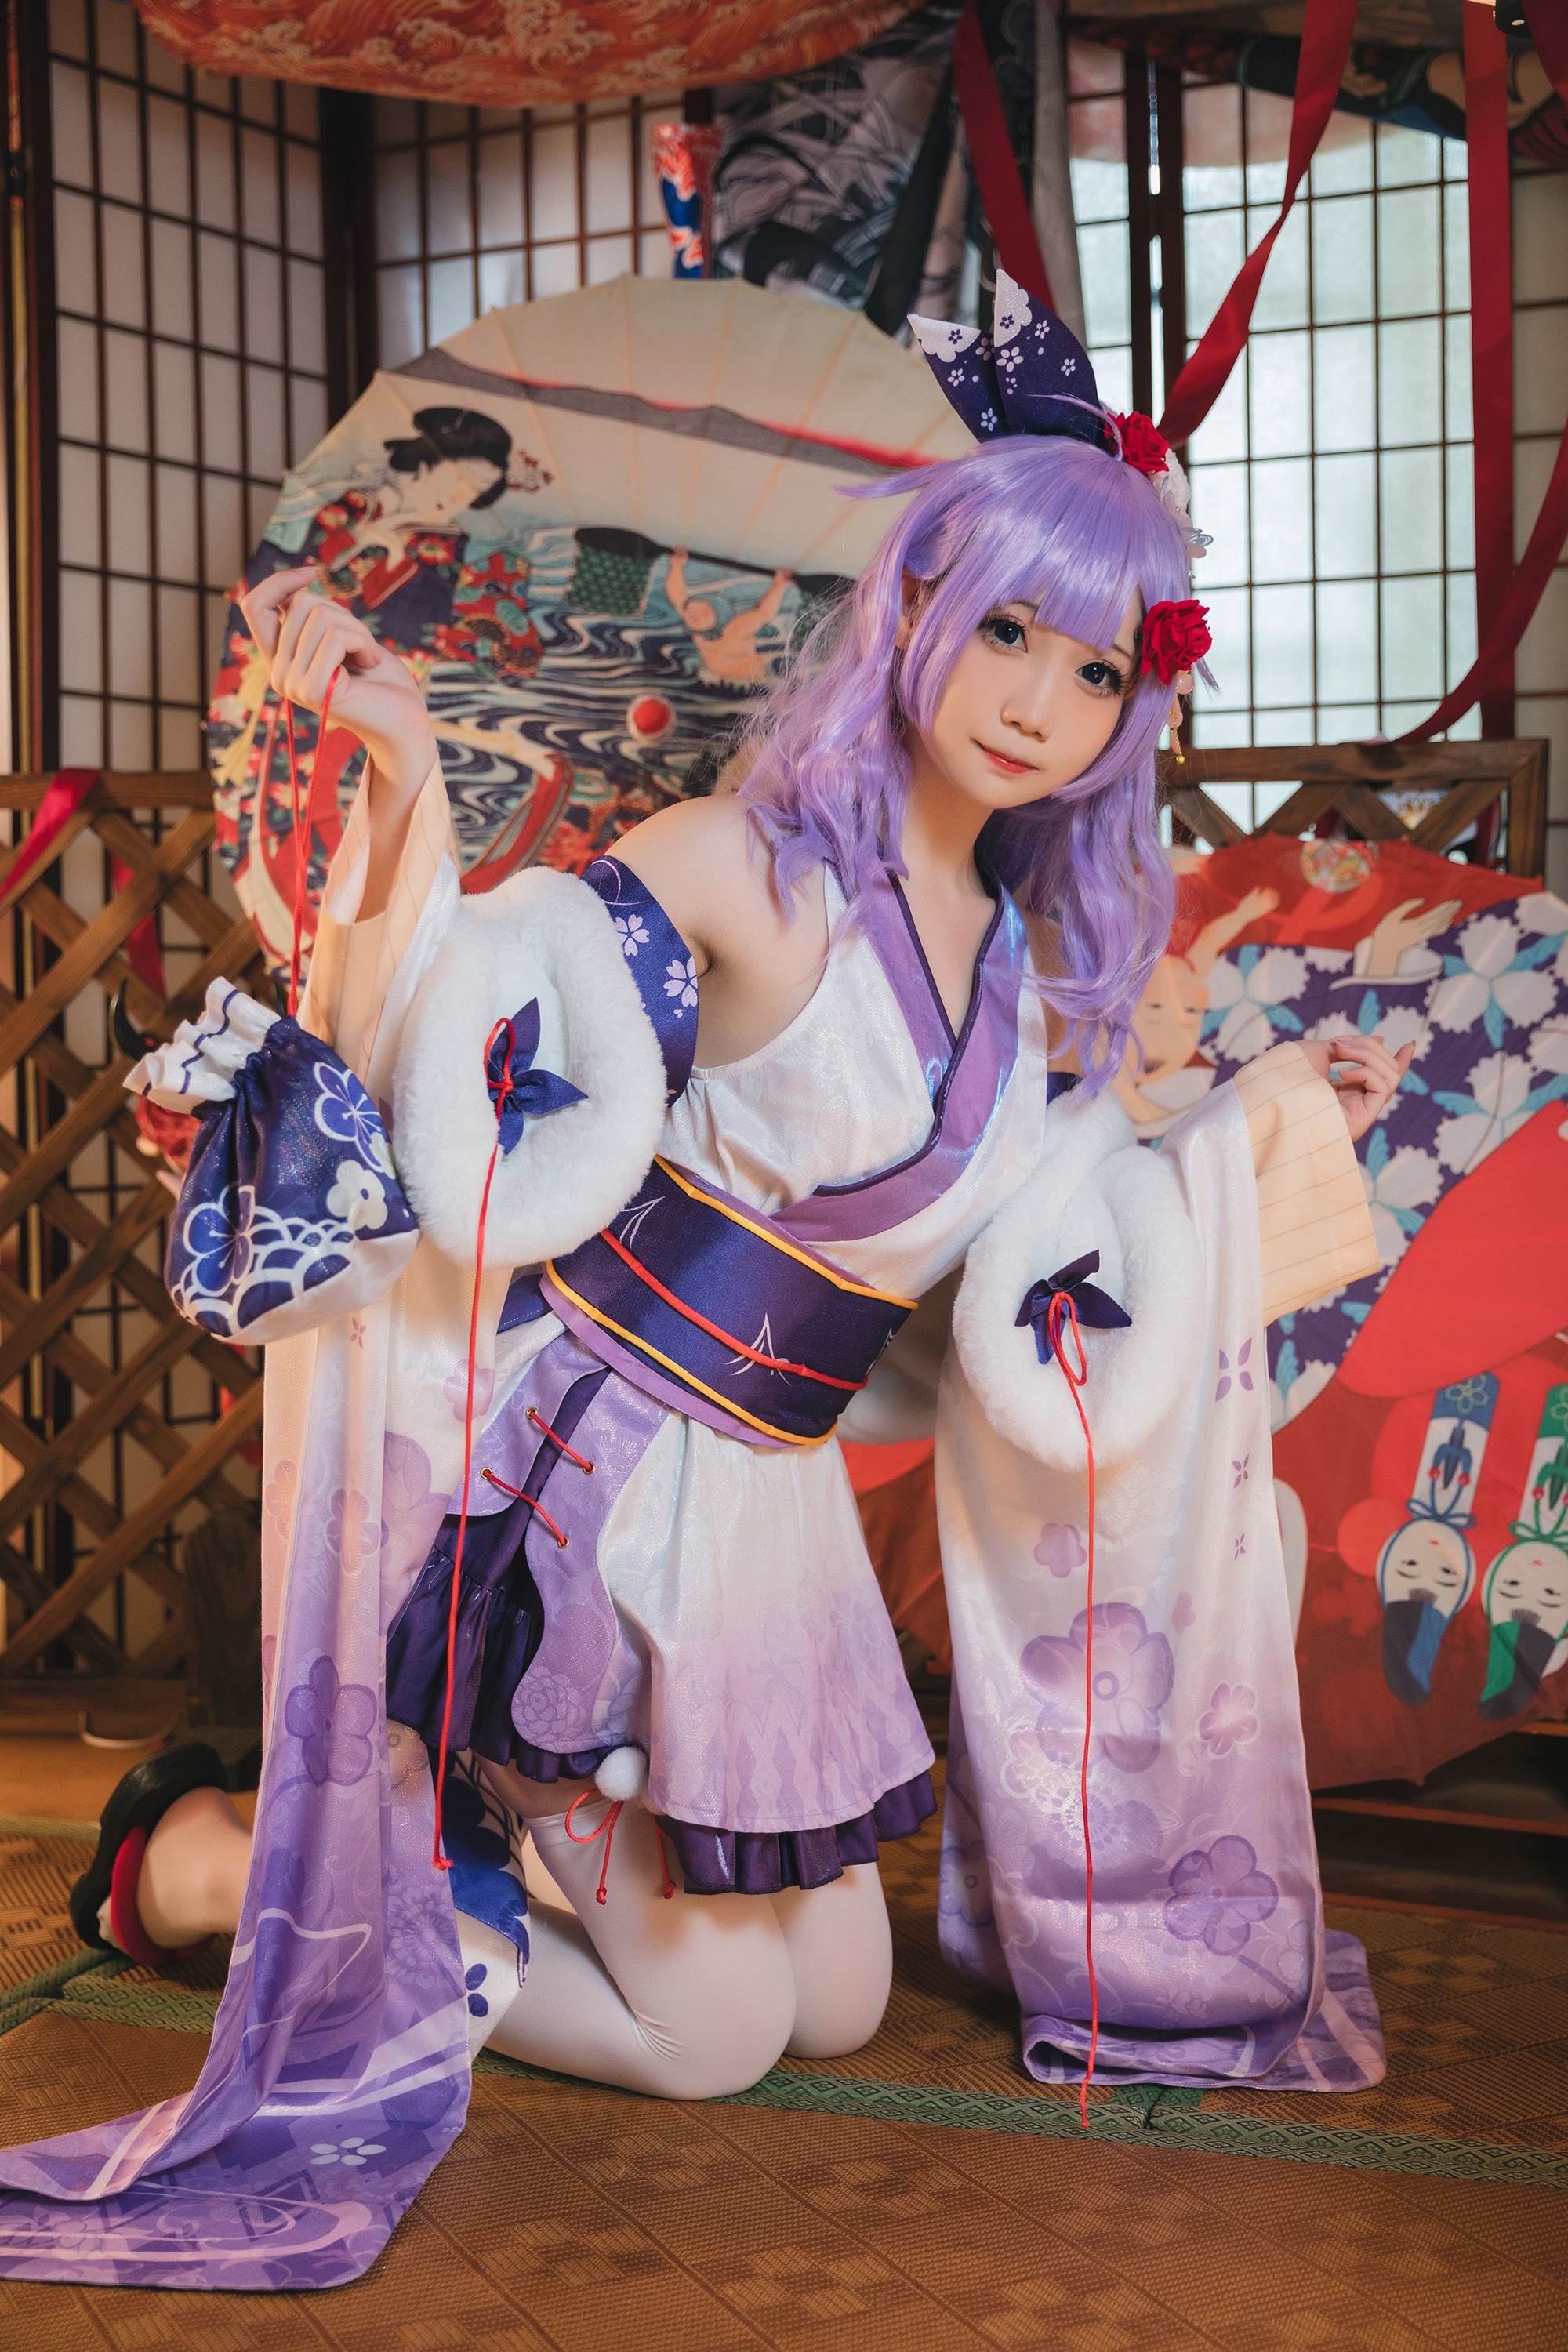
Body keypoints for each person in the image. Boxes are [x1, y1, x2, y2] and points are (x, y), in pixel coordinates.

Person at [1, 272, 1406, 2292]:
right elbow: (476, 1025)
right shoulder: (751, 864)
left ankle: (433, 1853)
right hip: (592, 1477)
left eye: (1095, 667)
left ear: (1133, 710)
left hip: (771, 1509)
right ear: (914, 608)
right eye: (1004, 628)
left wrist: (1270, 1127)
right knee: (719, 2033)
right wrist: (406, 770)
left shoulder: (1027, 975)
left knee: (835, 2002)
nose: (1035, 698)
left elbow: (1053, 1267)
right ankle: (216, 1871)